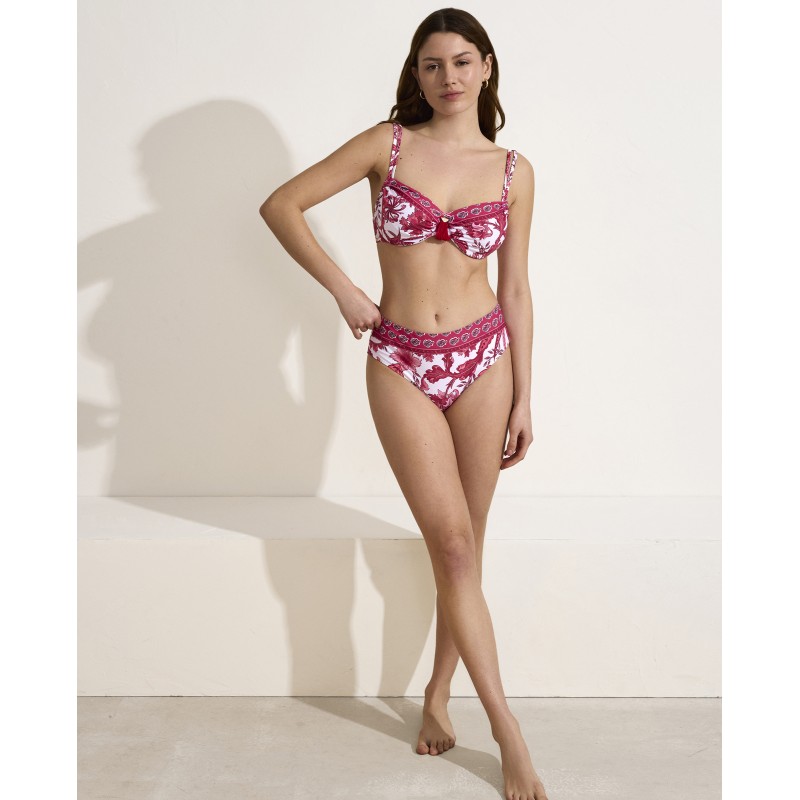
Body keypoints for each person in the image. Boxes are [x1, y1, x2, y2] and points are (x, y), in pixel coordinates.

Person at [260, 8, 545, 800]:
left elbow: (517, 289)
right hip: (401, 360)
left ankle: (439, 691)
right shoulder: (386, 145)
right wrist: (345, 290)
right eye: (431, 64)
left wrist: (526, 393)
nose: (448, 77)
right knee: (450, 544)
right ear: (415, 74)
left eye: (461, 61)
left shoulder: (514, 171)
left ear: (486, 67)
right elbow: (281, 204)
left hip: (485, 361)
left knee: (467, 547)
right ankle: (508, 731)